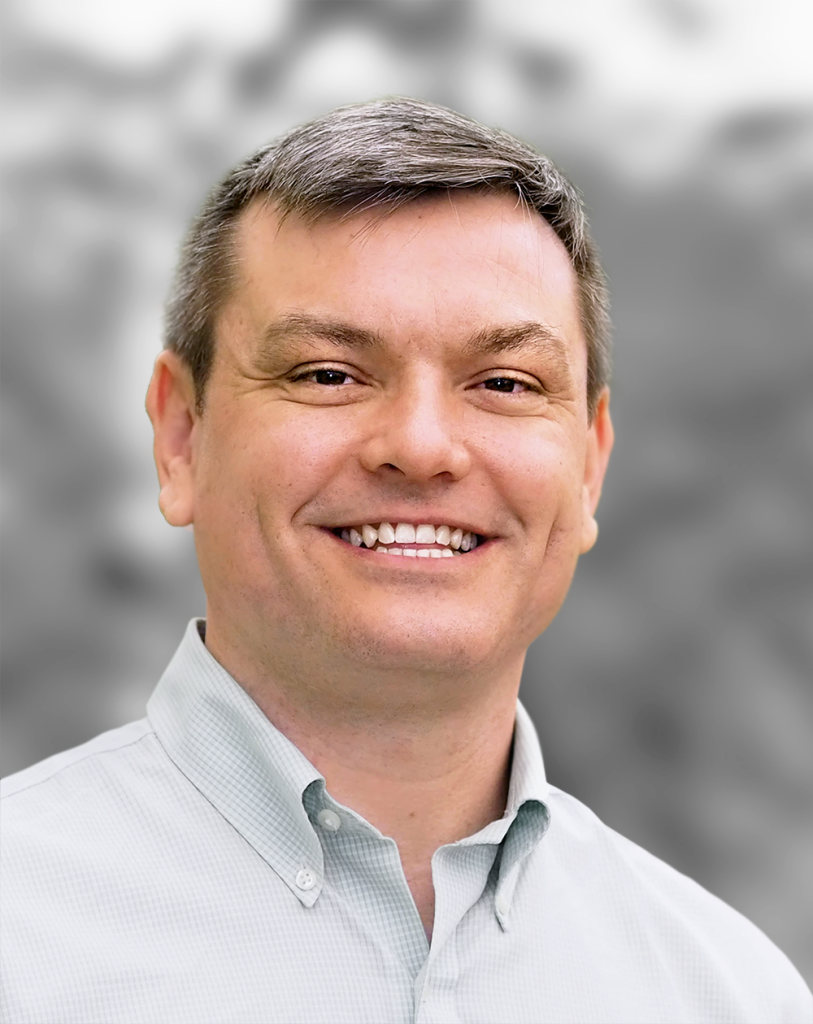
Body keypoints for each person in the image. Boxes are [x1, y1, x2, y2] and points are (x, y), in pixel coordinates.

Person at [1, 97, 809, 1024]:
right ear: (182, 437)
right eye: (328, 374)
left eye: (504, 384)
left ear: (588, 464)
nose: (421, 447)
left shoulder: (727, 994)